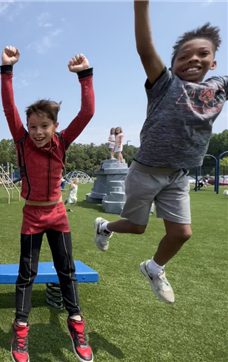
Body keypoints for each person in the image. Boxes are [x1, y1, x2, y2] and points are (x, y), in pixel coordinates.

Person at [94, 0, 228, 305]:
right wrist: (141, 7)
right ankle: (105, 227)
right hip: (146, 170)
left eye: (202, 54)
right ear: (173, 63)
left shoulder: (219, 86)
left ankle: (154, 268)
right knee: (137, 228)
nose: (193, 59)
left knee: (182, 233)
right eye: (184, 55)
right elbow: (145, 51)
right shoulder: (164, 83)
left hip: (179, 175)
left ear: (214, 63)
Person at [1, 46, 95, 362]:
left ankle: (77, 323)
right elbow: (8, 107)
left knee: (66, 270)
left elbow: (87, 113)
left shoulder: (63, 142)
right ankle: (21, 328)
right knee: (26, 273)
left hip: (57, 214)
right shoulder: (21, 141)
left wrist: (85, 76)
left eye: (44, 126)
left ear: (54, 126)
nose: (38, 132)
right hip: (32, 215)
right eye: (33, 126)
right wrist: (7, 70)